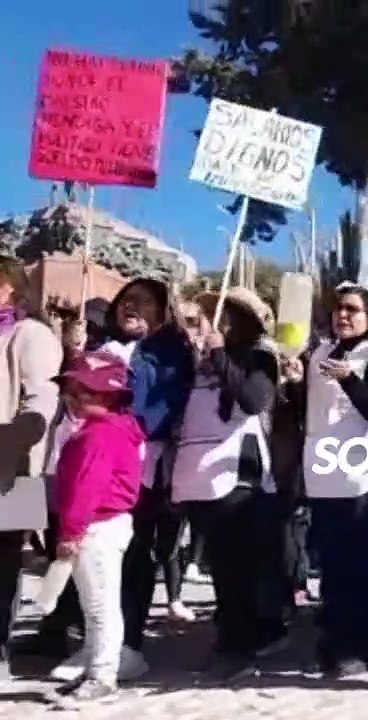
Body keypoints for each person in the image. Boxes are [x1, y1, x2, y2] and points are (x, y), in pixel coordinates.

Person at [52, 279, 195, 682]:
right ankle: (92, 642)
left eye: (146, 302)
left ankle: (126, 646)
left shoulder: (169, 357)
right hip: (82, 463)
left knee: (130, 560)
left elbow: (160, 411)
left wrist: (113, 427)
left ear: (162, 313)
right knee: (85, 559)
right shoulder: (102, 347)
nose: (133, 307)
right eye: (127, 300)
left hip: (135, 472)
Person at [286, 283, 368, 676]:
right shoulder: (318, 351)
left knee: (365, 563)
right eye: (340, 308)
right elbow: (310, 409)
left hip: (363, 476)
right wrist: (295, 382)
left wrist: (350, 380)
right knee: (333, 564)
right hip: (323, 474)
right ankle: (336, 638)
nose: (344, 315)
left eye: (353, 309)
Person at [171, 288, 288, 683]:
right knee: (222, 566)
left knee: (239, 566)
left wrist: (221, 356)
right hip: (198, 475)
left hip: (239, 474)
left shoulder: (259, 356)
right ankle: (233, 637)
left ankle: (239, 647)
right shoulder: (196, 357)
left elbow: (255, 400)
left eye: (223, 314)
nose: (213, 319)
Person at [48, 350, 144, 707]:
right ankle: (95, 666)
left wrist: (70, 533)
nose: (71, 398)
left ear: (107, 395)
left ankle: (102, 674)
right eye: (70, 390)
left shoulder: (99, 436)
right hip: (101, 525)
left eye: (81, 391)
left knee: (100, 605)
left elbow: (85, 488)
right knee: (95, 603)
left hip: (96, 526)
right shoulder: (107, 430)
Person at [0, 257, 63, 682]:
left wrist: (20, 432)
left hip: (13, 464)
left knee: (4, 562)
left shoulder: (29, 333)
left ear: (11, 289)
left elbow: (43, 396)